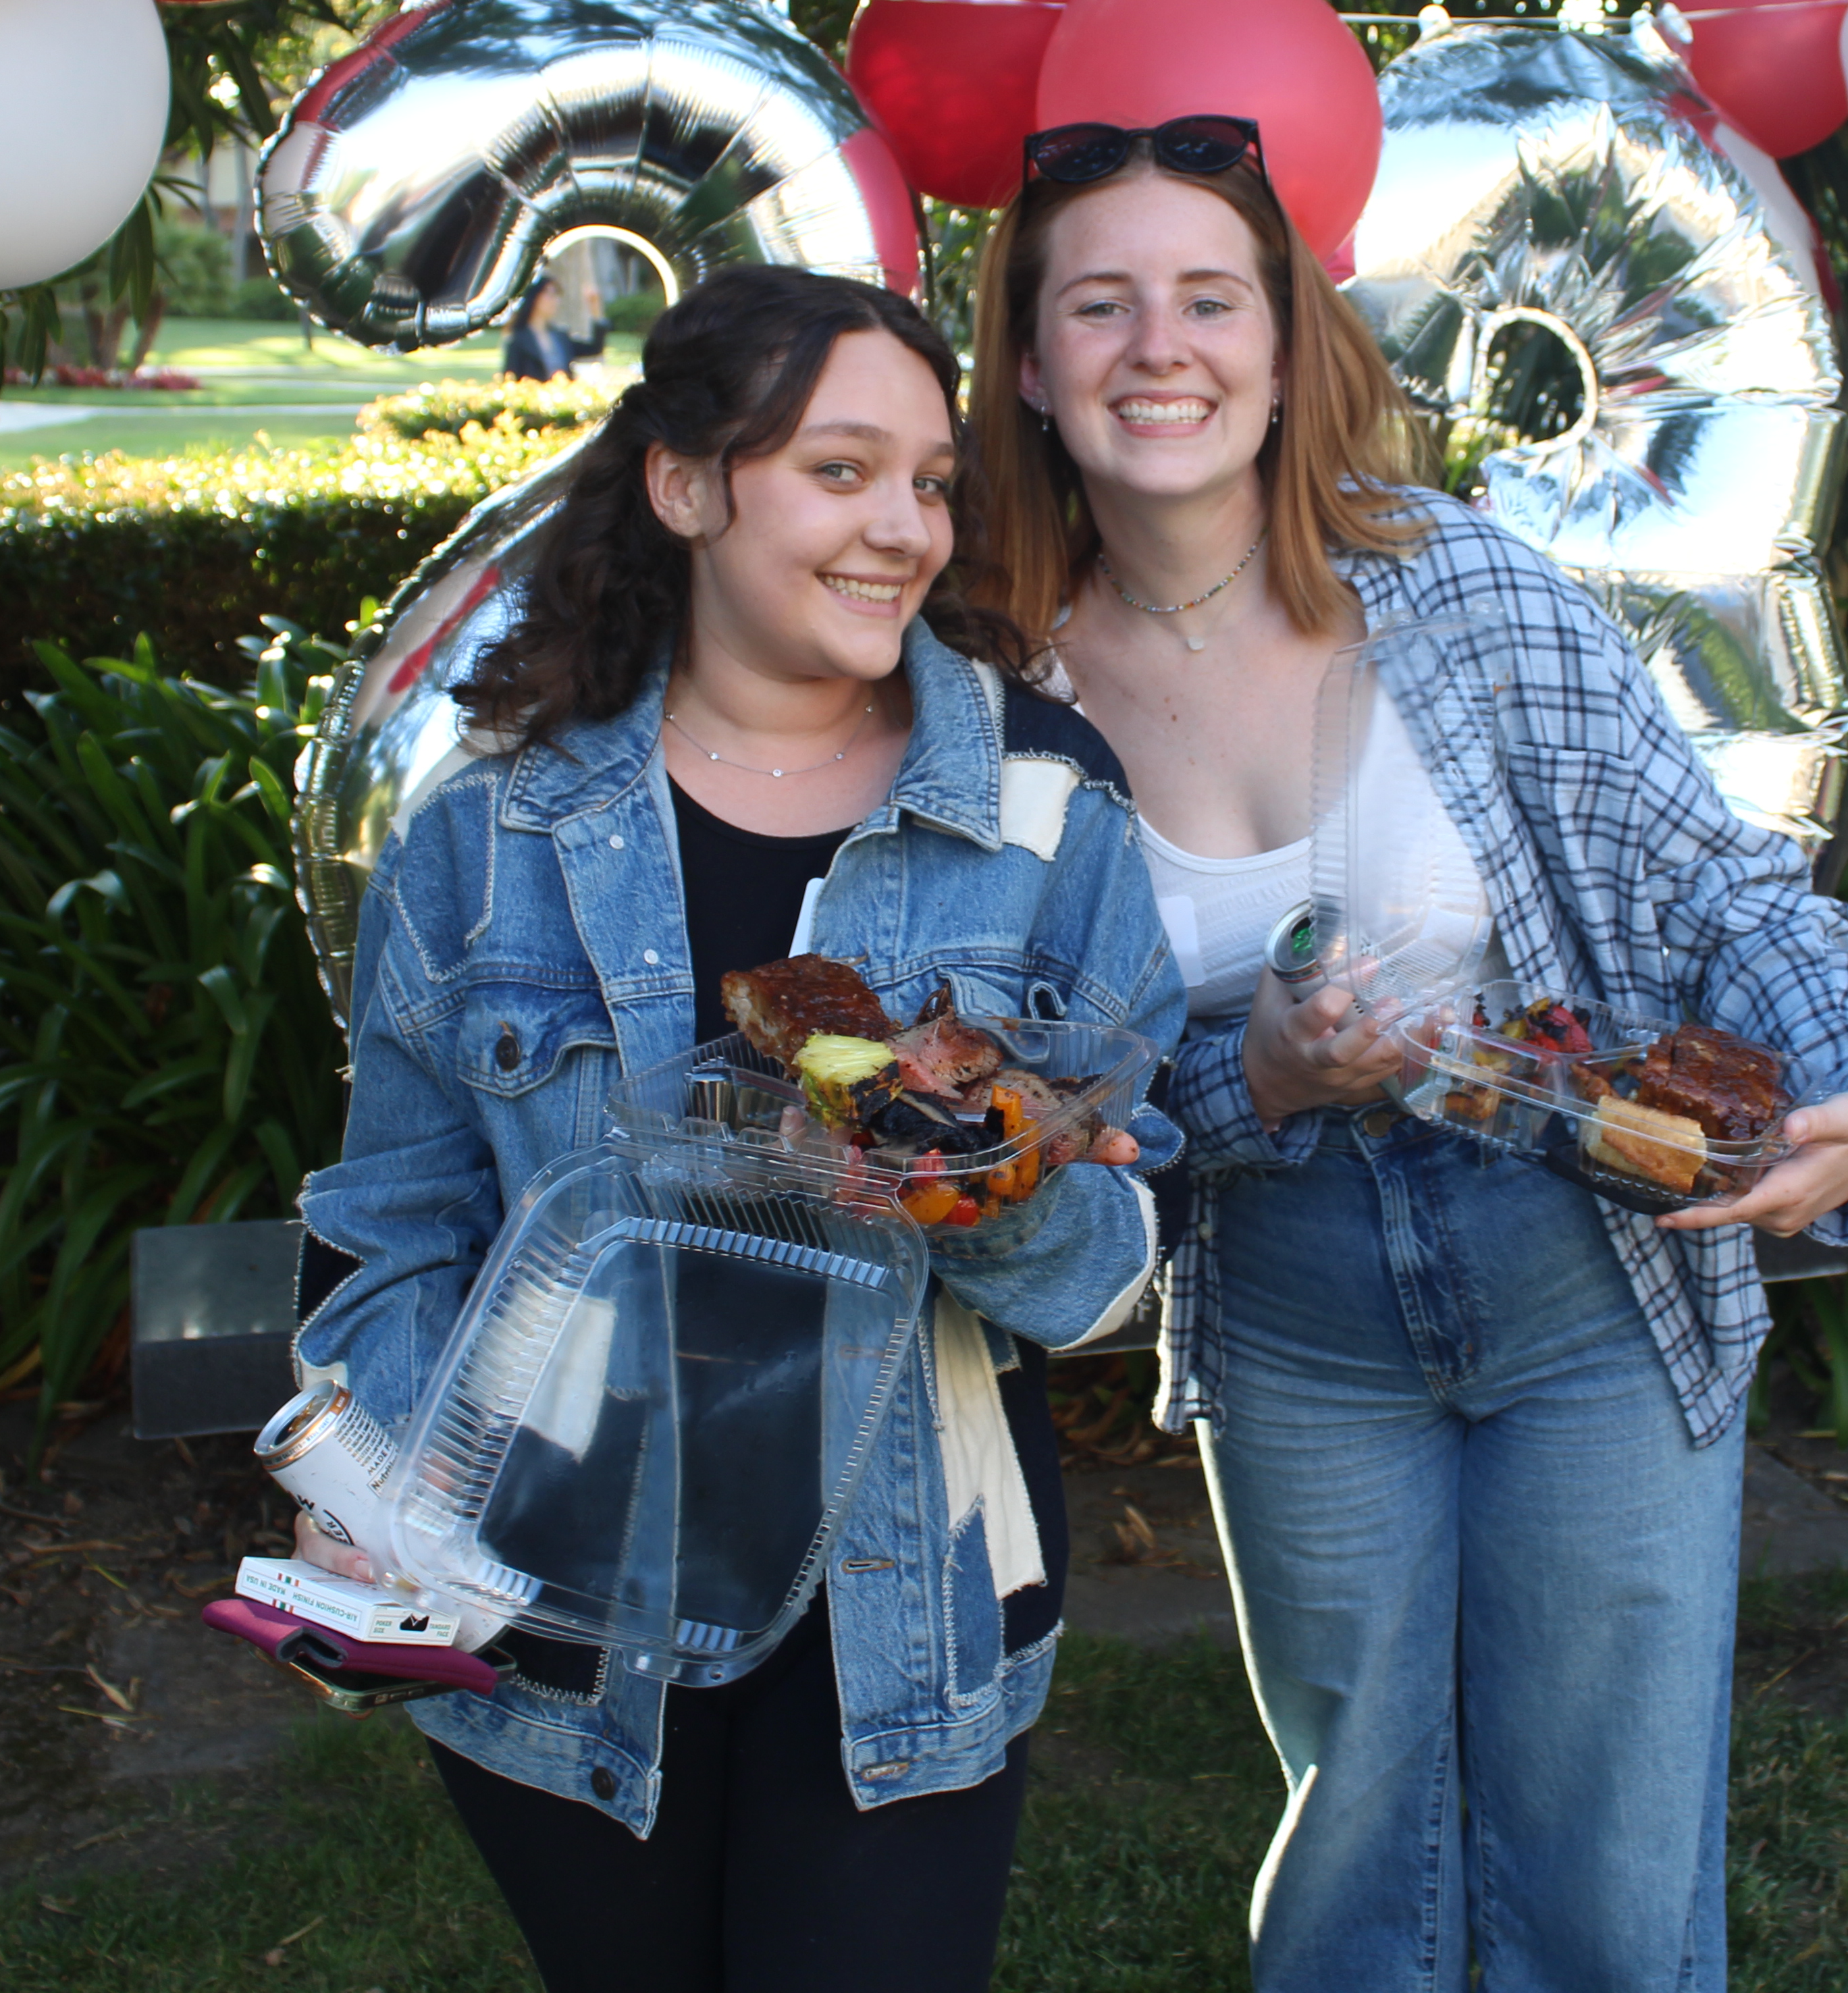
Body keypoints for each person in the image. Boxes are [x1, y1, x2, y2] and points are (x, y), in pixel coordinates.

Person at [966, 115, 1848, 1992]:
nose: (1162, 345)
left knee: (1610, 1883)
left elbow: (1726, 883)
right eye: (1103, 303)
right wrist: (1268, 1082)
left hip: (1583, 1277)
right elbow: (1037, 1103)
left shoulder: (1462, 595)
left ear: (1284, 339)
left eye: (1209, 297)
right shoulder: (999, 700)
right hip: (1299, 1316)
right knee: (1361, 1867)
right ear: (1026, 363)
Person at [293, 264, 1184, 1993]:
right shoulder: (490, 829)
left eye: (928, 482)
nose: (903, 529)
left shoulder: (1043, 805)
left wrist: (983, 1191)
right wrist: (379, 1474)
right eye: (837, 471)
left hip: (905, 1601)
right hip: (552, 1588)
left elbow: (1110, 1277)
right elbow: (397, 1212)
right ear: (686, 485)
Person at [502, 273, 581, 380]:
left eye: (556, 294)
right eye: (549, 294)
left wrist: (596, 310)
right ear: (534, 297)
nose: (555, 300)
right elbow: (510, 377)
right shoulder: (518, 340)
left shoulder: (561, 336)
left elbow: (594, 348)